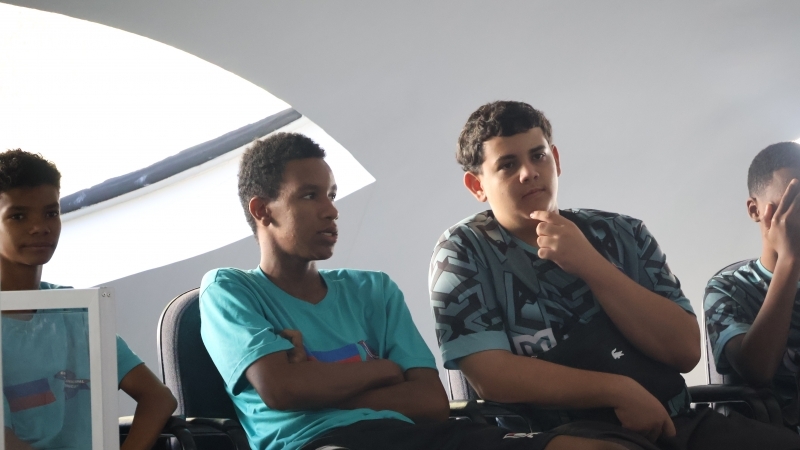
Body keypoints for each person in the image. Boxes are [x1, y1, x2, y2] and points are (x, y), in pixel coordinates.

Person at [199, 132, 626, 450]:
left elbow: (429, 401)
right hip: (321, 443)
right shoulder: (229, 290)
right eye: (309, 196)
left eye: (331, 194)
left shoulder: (372, 289)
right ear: (263, 210)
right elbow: (282, 391)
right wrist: (384, 370)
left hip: (419, 437)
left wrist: (317, 383)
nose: (331, 210)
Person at [429, 101, 800, 449]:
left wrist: (590, 264)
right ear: (477, 185)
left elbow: (685, 351)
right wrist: (617, 391)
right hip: (563, 436)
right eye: (508, 165)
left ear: (555, 160)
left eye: (538, 155)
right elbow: (490, 375)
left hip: (676, 421)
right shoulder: (463, 250)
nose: (529, 172)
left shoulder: (623, 232)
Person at [0, 149, 177, 450]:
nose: (40, 227)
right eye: (18, 216)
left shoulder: (77, 311)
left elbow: (158, 398)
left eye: (50, 213)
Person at [705, 141, 800, 429]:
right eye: (792, 200)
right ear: (754, 209)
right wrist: (790, 260)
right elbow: (757, 370)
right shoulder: (727, 288)